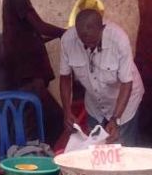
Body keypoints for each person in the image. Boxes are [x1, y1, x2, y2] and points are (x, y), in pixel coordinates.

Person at [2, 0, 66, 143]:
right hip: (28, 75)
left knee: (34, 119)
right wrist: (68, 32)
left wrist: (59, 34)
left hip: (27, 74)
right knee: (50, 118)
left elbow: (34, 35)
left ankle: (34, 153)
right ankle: (37, 156)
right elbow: (40, 27)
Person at [58, 8, 144, 145]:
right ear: (77, 32)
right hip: (95, 104)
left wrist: (115, 120)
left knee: (122, 149)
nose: (89, 46)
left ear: (102, 28)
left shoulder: (119, 39)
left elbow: (127, 83)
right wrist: (67, 111)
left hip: (124, 102)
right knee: (94, 149)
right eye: (83, 41)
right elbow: (65, 77)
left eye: (93, 42)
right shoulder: (68, 40)